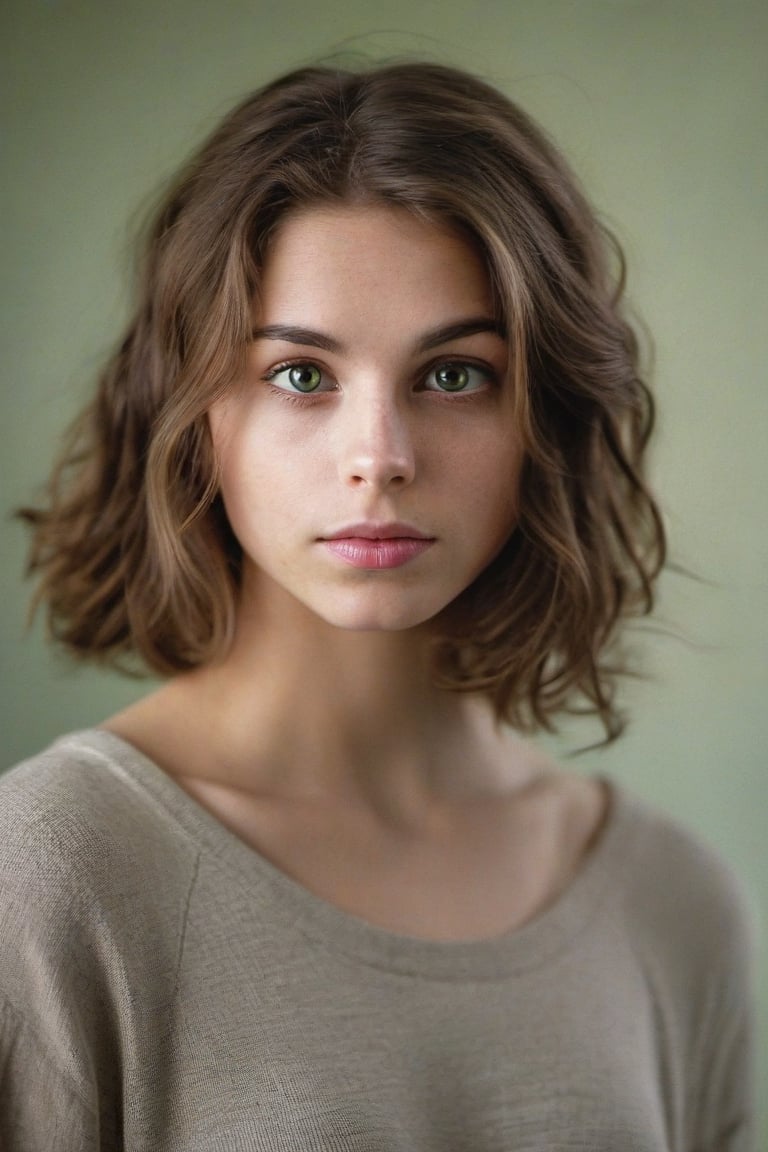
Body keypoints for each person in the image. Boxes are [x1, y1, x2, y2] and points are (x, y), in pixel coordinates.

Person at [0, 62, 754, 1150]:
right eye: (301, 377)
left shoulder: (673, 907)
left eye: (454, 376)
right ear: (192, 411)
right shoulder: (52, 875)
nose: (381, 459)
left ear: (549, 416)